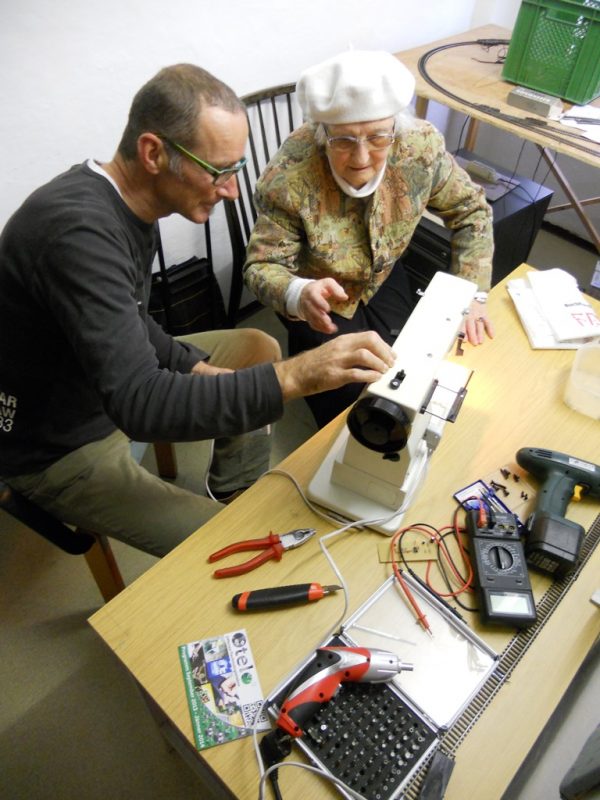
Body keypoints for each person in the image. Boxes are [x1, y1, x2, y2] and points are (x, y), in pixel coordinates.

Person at [0, 63, 395, 558]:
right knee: (243, 547)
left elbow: (131, 316)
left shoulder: (124, 203)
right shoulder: (77, 235)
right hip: (56, 442)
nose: (231, 189)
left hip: (102, 382)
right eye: (219, 171)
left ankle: (232, 488)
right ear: (153, 153)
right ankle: (230, 524)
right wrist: (299, 377)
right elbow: (140, 404)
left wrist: (190, 365)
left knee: (255, 348)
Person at [244, 50, 495, 428]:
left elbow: (472, 212)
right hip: (319, 290)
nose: (361, 157)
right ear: (321, 133)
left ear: (397, 128)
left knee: (412, 361)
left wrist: (472, 295)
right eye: (344, 140)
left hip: (382, 272)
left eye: (378, 137)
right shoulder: (290, 176)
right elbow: (262, 266)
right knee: (351, 396)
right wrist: (297, 294)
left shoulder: (420, 148)